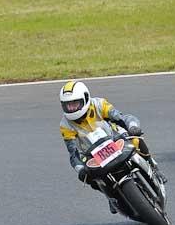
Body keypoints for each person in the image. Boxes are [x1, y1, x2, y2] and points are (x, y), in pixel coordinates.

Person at [59, 80, 166, 213]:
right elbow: (73, 152)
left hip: (115, 139)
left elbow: (122, 117)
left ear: (86, 98)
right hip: (92, 153)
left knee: (136, 139)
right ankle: (110, 196)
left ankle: (153, 167)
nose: (71, 108)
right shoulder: (65, 125)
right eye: (68, 105)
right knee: (90, 176)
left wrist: (133, 126)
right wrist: (80, 169)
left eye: (75, 104)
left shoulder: (99, 104)